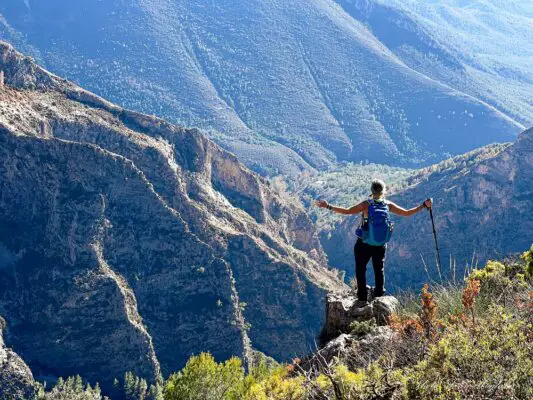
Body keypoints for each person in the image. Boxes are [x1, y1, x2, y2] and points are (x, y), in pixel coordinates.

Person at [315, 179, 432, 306]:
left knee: (360, 269)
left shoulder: (366, 204)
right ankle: (379, 296)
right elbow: (407, 213)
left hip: (364, 243)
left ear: (371, 191)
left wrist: (328, 206)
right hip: (380, 244)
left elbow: (347, 211)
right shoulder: (388, 205)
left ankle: (362, 298)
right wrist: (423, 205)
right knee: (379, 269)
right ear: (384, 191)